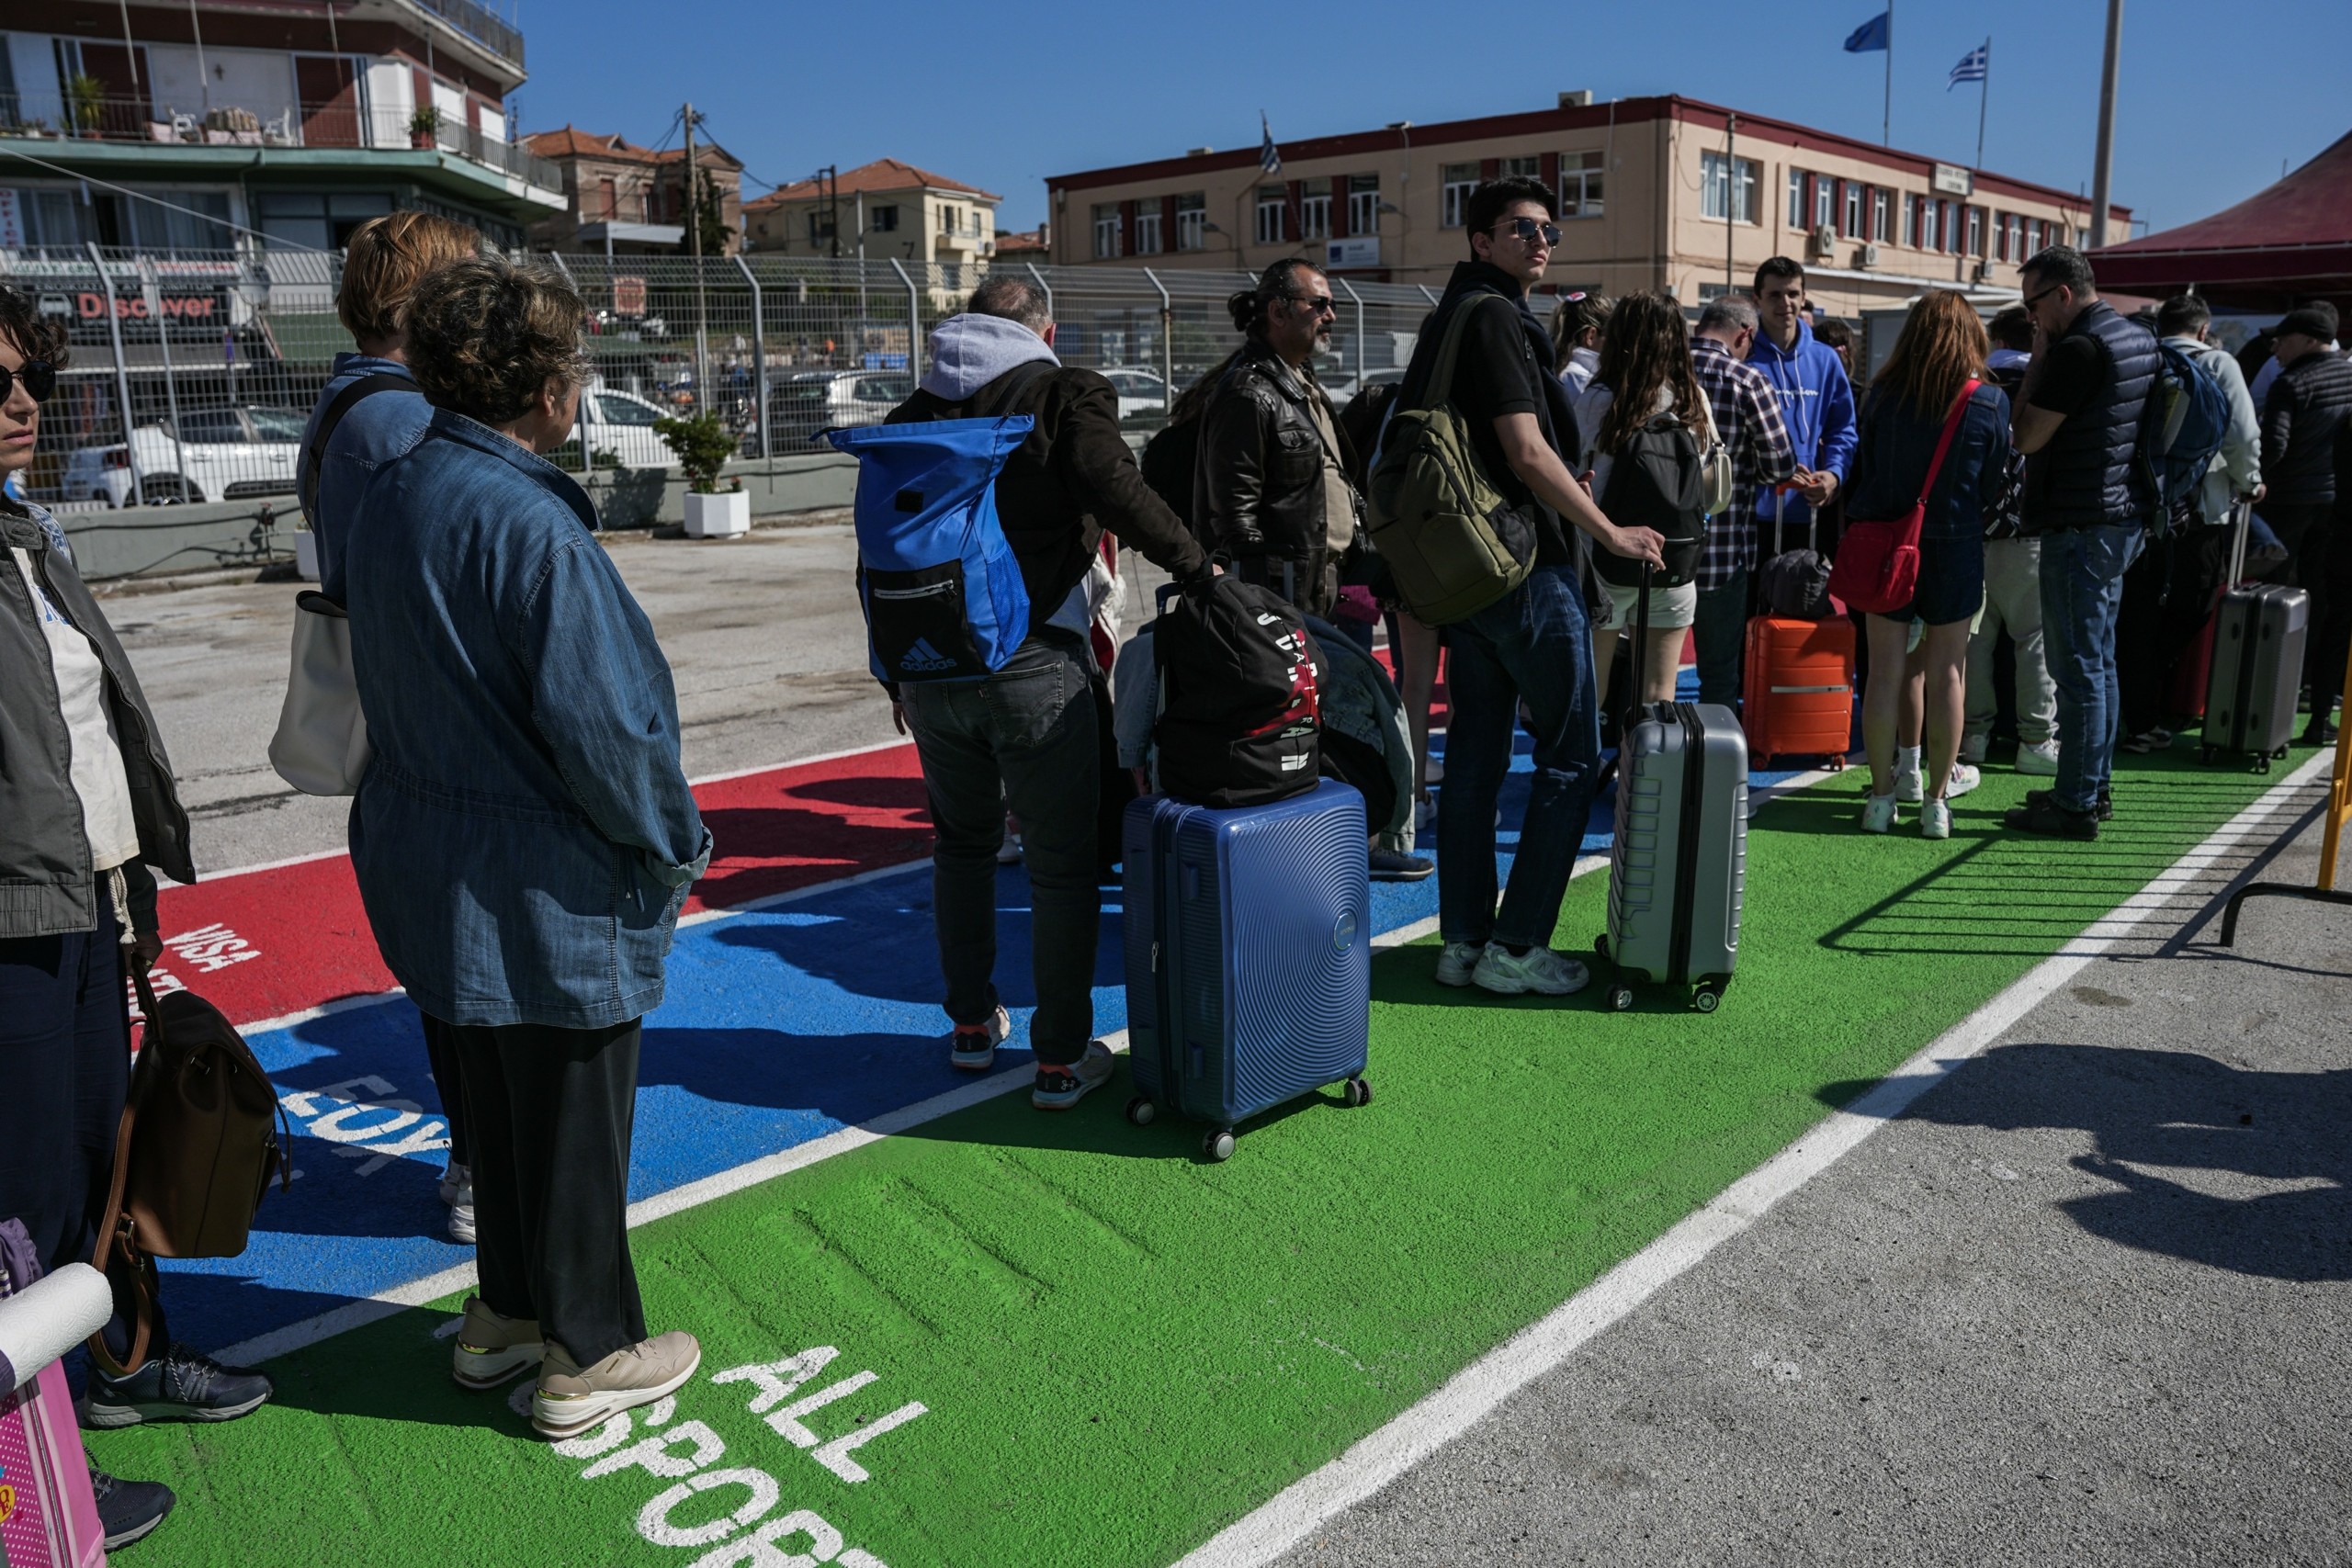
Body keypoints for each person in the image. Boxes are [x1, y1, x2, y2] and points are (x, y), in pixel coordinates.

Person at [346, 257, 710, 1439]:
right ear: (550, 388)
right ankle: (587, 1350)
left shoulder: (396, 487)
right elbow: (611, 733)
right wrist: (674, 839)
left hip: (427, 853)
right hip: (542, 878)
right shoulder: (531, 527)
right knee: (571, 1119)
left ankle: (502, 1314)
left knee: (490, 1107)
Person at [0, 284, 272, 1551]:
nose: (18, 405)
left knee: (100, 1167)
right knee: (26, 1195)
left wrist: (131, 883)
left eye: (28, 381)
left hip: (78, 896)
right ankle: (34, 1446)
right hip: (8, 921)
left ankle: (116, 1360)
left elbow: (84, 735)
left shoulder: (25, 533)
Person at [883, 276, 1212, 1102]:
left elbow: (881, 542)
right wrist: (1200, 566)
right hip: (1034, 660)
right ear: (1045, 329)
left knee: (960, 846)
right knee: (1060, 870)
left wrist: (894, 667)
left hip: (930, 664)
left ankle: (968, 1024)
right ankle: (1061, 1057)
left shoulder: (913, 412)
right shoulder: (1062, 390)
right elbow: (1116, 488)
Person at [1390, 175, 1664, 997]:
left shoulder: (1449, 319)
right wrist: (1609, 530)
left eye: (1548, 229)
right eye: (1520, 228)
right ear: (1480, 239)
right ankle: (1516, 946)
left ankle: (1464, 940)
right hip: (1522, 564)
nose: (1540, 241)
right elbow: (1526, 449)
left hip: (1465, 574)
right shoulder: (1501, 320)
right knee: (1570, 755)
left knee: (1473, 757)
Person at [296, 209, 481, 1245]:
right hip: (438, 729)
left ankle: (478, 1158)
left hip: (406, 720)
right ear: (427, 300)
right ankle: (478, 1167)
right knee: (473, 972)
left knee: (459, 966)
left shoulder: (350, 406)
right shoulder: (397, 418)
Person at [2005, 245, 2160, 840]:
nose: (2032, 320)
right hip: (2121, 515)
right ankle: (2093, 788)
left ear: (2062, 294)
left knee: (2077, 671)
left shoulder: (2076, 349)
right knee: (2099, 664)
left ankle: (2073, 803)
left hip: (2079, 519)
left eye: (2033, 306)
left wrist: (2039, 362)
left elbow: (2026, 437)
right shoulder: (2138, 337)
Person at [1845, 292, 2011, 837]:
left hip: (1887, 543)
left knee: (1883, 674)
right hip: (1956, 544)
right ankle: (1937, 805)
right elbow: (1993, 485)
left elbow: (1863, 468)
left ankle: (1880, 798)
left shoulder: (1882, 396)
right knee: (1948, 673)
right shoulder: (1988, 400)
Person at [2114, 293, 2269, 752]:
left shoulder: (2142, 358)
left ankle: (2136, 716)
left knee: (2136, 613)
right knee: (2194, 606)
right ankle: (2157, 703)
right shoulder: (2219, 363)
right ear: (2203, 329)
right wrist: (2251, 481)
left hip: (2139, 507)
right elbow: (2242, 433)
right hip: (2202, 508)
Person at [1573, 292, 1718, 705]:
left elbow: (1576, 469)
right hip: (1672, 555)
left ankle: (1588, 766)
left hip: (1604, 553)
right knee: (1658, 693)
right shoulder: (1694, 401)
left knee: (1592, 692)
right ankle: (1645, 769)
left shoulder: (1599, 399)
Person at [1196, 260, 1360, 618]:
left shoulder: (1301, 383)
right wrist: (1263, 606)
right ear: (1278, 312)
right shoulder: (1248, 393)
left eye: (1333, 304)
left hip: (1325, 577)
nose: (1330, 315)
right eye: (1318, 304)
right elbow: (1234, 517)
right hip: (1286, 591)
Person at [1744, 257, 1859, 692]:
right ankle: (1749, 701)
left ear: (1804, 296)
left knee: (1805, 616)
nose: (1785, 303)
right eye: (1774, 294)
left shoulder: (1825, 359)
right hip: (1751, 516)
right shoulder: (1746, 353)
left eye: (1793, 293)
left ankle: (1795, 696)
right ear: (1757, 299)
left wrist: (1834, 475)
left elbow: (1844, 429)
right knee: (1752, 617)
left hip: (1808, 516)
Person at [1685, 295, 1797, 707]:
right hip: (1722, 548)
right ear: (1745, 335)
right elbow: (1780, 464)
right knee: (1718, 673)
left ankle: (1643, 755)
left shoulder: (1658, 372)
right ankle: (1715, 762)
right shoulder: (1747, 380)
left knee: (1649, 669)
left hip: (1653, 550)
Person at [1962, 306, 2060, 773]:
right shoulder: (2047, 385)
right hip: (2031, 529)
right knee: (2034, 641)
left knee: (1973, 642)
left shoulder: (1971, 385)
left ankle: (1973, 734)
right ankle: (2036, 742)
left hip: (1972, 530)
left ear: (1995, 338)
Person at [2257, 304, 2352, 743]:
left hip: (2289, 503)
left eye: (2284, 338)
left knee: (2278, 596)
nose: (2275, 347)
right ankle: (2317, 690)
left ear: (2310, 340)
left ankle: (2273, 689)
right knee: (2325, 600)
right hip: (2336, 508)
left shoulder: (2290, 383)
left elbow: (2274, 444)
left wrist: (2256, 479)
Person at [1550, 290, 1611, 397]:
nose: (1614, 344)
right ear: (1590, 336)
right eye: (1610, 336)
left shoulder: (1547, 369)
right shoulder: (1583, 381)